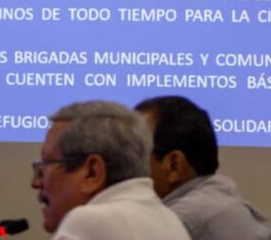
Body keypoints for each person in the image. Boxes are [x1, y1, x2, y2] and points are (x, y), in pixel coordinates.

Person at [31, 100, 190, 240]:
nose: (35, 182)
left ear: (92, 173)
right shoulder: (168, 218)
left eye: (46, 164)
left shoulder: (89, 221)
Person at [135, 96, 271, 240]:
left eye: (135, 155)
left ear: (174, 165)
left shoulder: (179, 222)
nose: (125, 167)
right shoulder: (222, 198)